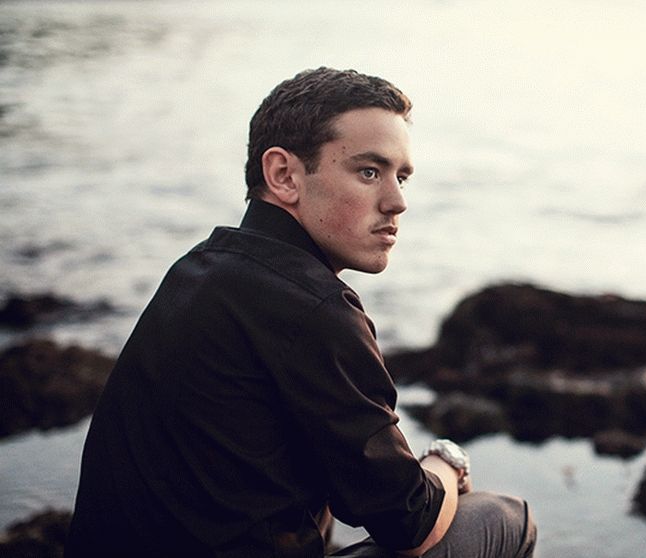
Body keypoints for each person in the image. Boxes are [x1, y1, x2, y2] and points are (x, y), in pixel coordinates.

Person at [65, 67, 536, 558]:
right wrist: (446, 460)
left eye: (402, 177)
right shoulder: (313, 309)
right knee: (504, 519)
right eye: (369, 172)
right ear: (284, 175)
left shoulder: (199, 270)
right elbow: (411, 524)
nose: (397, 202)